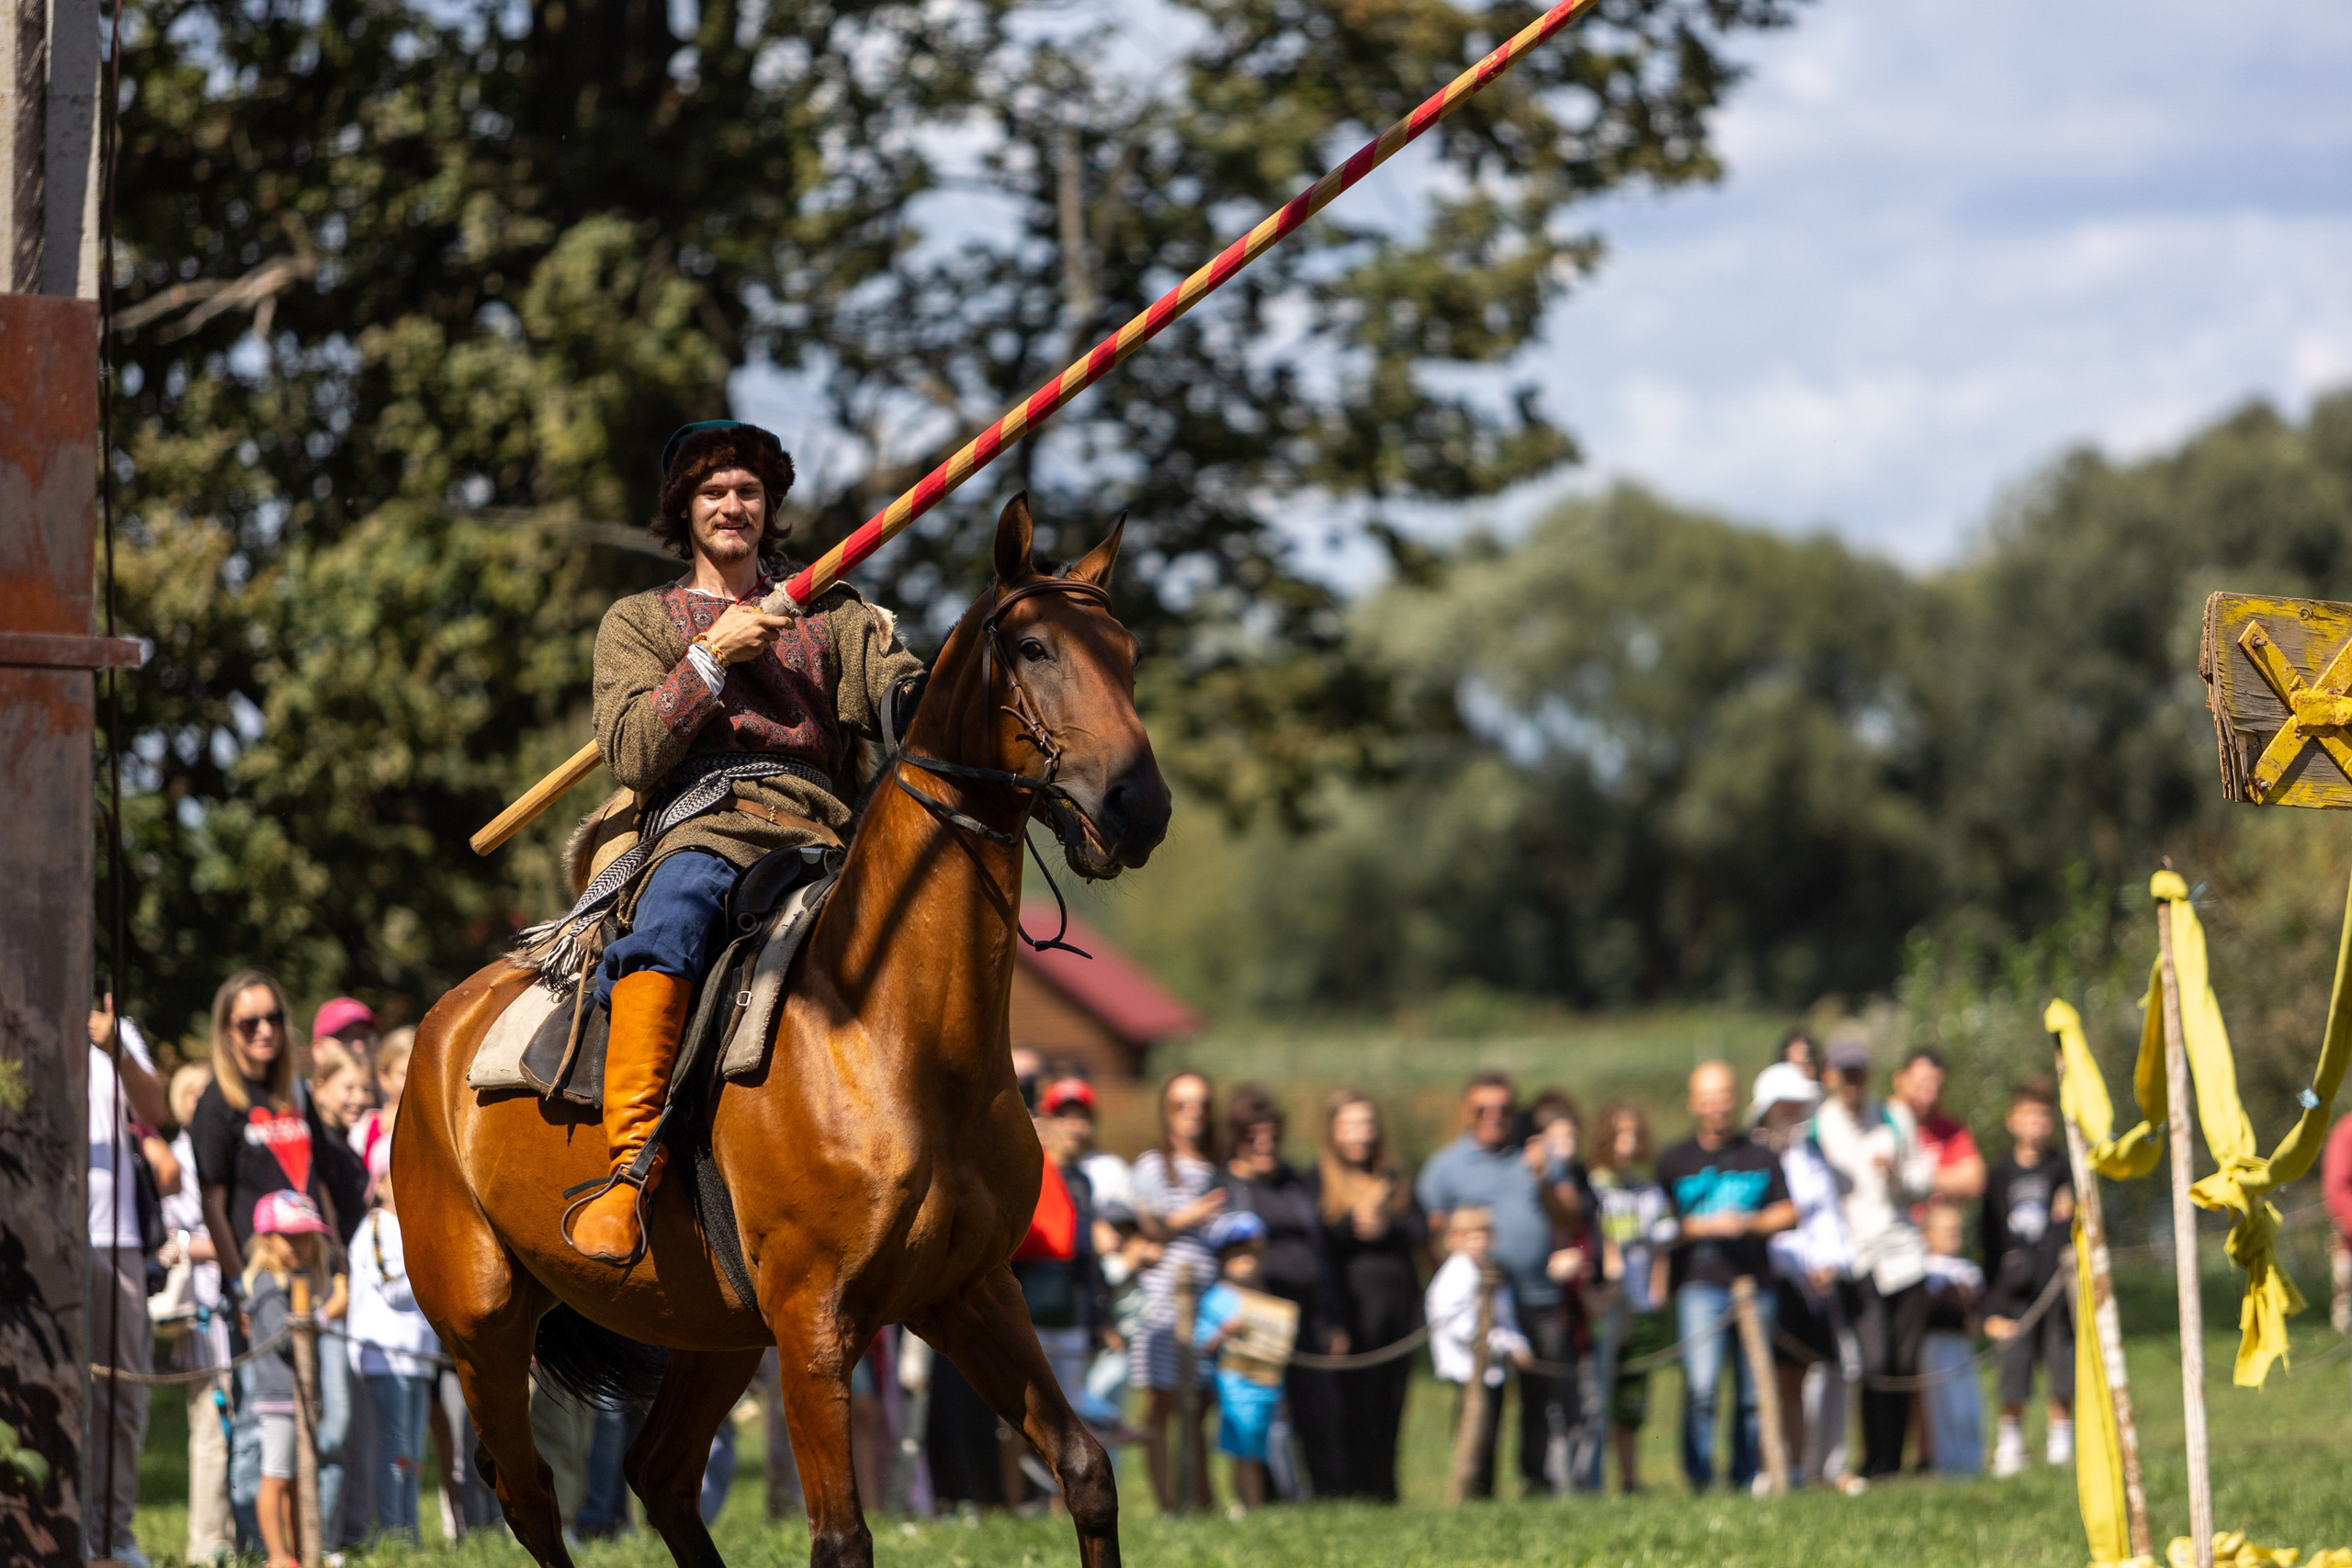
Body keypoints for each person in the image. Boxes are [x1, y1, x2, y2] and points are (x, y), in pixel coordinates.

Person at [526, 419, 922, 1265]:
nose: (732, 505)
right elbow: (631, 753)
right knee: (673, 913)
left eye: (748, 490)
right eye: (713, 491)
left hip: (826, 833)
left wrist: (928, 694)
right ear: (685, 508)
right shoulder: (637, 622)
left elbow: (896, 696)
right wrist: (710, 657)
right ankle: (629, 1170)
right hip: (708, 823)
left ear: (769, 505)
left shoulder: (832, 607)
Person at [1415, 1072, 1577, 1498]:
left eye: (1504, 1109)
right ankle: (1476, 1489)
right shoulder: (1445, 1166)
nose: (1494, 1116)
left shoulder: (1537, 1157)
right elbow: (1430, 1235)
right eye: (1483, 1109)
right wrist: (1456, 1286)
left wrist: (1543, 1178)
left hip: (1538, 1298)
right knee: (1482, 1401)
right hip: (1481, 1307)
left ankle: (1538, 1486)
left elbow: (1569, 1218)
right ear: (1466, 1111)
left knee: (1542, 1400)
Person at [1656, 1060, 1796, 1494]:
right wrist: (1700, 1227)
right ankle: (1700, 1479)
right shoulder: (1674, 1160)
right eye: (1708, 1098)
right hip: (1699, 1286)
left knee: (1753, 1391)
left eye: (1723, 1096)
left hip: (1755, 1285)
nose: (1716, 1106)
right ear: (1693, 1103)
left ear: (1735, 1100)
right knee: (1702, 1387)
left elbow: (1789, 1212)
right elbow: (1658, 1226)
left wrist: (1750, 1223)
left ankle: (1744, 1475)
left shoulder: (1760, 1156)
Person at [1813, 1033, 1935, 1478]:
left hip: (1905, 1256)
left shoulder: (1894, 1116)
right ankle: (1874, 1458)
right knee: (1875, 1361)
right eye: (1845, 1074)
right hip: (1856, 1260)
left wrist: (1897, 1173)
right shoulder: (1819, 1125)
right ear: (1831, 1076)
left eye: (1858, 1073)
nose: (1852, 1082)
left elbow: (1923, 1181)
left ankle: (1893, 1461)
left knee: (1902, 1364)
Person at [1218, 1083, 1346, 1498]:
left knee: (1319, 1413)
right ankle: (1267, 1501)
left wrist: (1331, 1319)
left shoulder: (1294, 1182)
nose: (1264, 1144)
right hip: (1256, 1316)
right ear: (1237, 1138)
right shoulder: (1227, 1186)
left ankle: (1329, 1496)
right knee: (1261, 1416)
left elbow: (1319, 1251)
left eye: (1271, 1136)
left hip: (1306, 1315)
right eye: (1253, 1136)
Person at [1309, 1090, 1425, 1503]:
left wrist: (1388, 1227)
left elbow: (1421, 1231)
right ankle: (1350, 1490)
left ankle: (1384, 1489)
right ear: (1333, 1132)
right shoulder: (1317, 1181)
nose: (1361, 1134)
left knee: (1390, 1404)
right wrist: (1350, 1225)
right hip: (1350, 1312)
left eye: (1367, 1124)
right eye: (1351, 1125)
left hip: (1397, 1311)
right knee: (1350, 1405)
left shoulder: (1394, 1179)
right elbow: (1318, 1242)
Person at [86, 995, 167, 1568]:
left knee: (122, 1396)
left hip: (117, 1240)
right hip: (39, 1237)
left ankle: (111, 1533)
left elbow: (156, 1109)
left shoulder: (114, 1031)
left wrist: (116, 1046)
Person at [1749, 1060, 1853, 1489]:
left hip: (1810, 1286)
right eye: (1784, 1105)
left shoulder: (1810, 1158)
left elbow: (1827, 1219)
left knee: (1802, 1376)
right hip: (1770, 1280)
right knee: (1768, 1381)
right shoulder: (1752, 1157)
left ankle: (1798, 1465)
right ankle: (1764, 1466)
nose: (1792, 1113)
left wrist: (1831, 1263)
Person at [1130, 1070, 1227, 1514]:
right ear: (1166, 1112)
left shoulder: (1218, 1168)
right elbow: (1144, 1227)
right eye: (1182, 1104)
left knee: (1201, 1404)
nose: (1193, 1113)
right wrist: (1192, 1215)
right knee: (1161, 1402)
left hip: (1210, 1300)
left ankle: (1201, 1498)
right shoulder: (1152, 1166)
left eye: (1202, 1104)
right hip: (1164, 1301)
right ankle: (1167, 1503)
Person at [164, 1062, 237, 1564]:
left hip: (233, 1307)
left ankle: (235, 1532)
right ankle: (208, 1542)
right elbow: (171, 1240)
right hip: (203, 1309)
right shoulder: (177, 1158)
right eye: (192, 1093)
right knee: (211, 1426)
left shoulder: (225, 1149)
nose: (201, 1101)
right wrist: (225, 1247)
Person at [1983, 1077, 2075, 1476]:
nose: (2035, 1124)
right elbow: (1988, 1239)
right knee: (2013, 1368)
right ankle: (2010, 1445)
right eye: (2028, 1116)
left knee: (2063, 1365)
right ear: (2012, 1120)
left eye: (2042, 1117)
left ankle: (2061, 1445)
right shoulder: (2000, 1172)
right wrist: (1990, 1306)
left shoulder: (2064, 1168)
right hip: (2013, 1291)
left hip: (2057, 1286)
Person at [347, 1156, 443, 1541]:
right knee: (393, 1451)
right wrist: (431, 1261)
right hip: (386, 1358)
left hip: (419, 1358)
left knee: (412, 1455)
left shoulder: (414, 1226)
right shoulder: (375, 1226)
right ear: (380, 1184)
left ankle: (410, 1533)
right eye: (395, 1174)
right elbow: (393, 1289)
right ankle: (391, 1534)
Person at [241, 1191, 334, 1568]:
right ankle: (278, 1557)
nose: (299, 1245)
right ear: (266, 1239)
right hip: (279, 1397)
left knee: (295, 1480)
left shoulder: (294, 1283)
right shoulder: (267, 1286)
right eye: (289, 1236)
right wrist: (327, 1314)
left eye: (305, 1236)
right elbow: (286, 1342)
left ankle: (299, 1553)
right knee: (276, 1478)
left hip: (297, 1396)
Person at [1582, 1102, 1671, 1495]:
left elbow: (1662, 1245)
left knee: (1632, 1396)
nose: (1628, 1143)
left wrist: (1657, 1291)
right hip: (1604, 1306)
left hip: (1640, 1303)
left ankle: (1629, 1480)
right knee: (1597, 1391)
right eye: (1620, 1135)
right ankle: (1592, 1480)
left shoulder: (1648, 1191)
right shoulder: (1591, 1189)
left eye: (1634, 1135)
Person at [1424, 1205, 1534, 1498]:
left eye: (1483, 1234)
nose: (1477, 1242)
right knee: (1474, 1429)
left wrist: (1517, 1345)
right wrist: (1504, 1347)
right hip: (1468, 1369)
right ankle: (1468, 1490)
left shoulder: (1489, 1270)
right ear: (1452, 1240)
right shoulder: (1456, 1274)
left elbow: (1504, 1316)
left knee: (1491, 1432)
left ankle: (1485, 1490)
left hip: (1491, 1368)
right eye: (1469, 1235)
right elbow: (1464, 1327)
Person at [1191, 1212, 1284, 1511]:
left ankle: (1252, 1504)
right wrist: (1223, 1332)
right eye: (1238, 1255)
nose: (1248, 1262)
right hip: (1234, 1387)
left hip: (1266, 1386)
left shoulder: (1265, 1296)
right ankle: (1247, 1506)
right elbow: (1201, 1343)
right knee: (1244, 1449)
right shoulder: (1215, 1298)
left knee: (1260, 1448)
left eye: (1253, 1255)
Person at [1918, 1204, 1984, 1475]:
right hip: (1936, 1345)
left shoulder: (1970, 1270)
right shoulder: (1924, 1269)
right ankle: (1947, 1464)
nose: (1953, 1236)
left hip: (1964, 1346)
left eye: (1957, 1230)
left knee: (1968, 1403)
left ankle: (1972, 1463)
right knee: (1942, 1406)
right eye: (1946, 1230)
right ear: (1928, 1234)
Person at [1894, 1045, 1985, 1207]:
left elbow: (1974, 1180)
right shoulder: (1883, 1122)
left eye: (1935, 1084)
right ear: (1901, 1079)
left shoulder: (1950, 1130)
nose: (1929, 1092)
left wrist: (1920, 1178)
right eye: (1922, 1082)